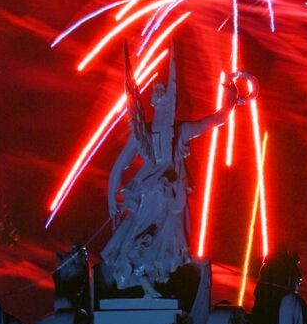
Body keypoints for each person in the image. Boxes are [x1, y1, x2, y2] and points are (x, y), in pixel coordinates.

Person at [101, 44, 240, 296]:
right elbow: (216, 120)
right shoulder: (168, 131)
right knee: (164, 240)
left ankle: (149, 281)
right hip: (165, 197)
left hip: (159, 196)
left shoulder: (169, 131)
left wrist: (112, 196)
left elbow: (119, 166)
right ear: (157, 102)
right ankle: (153, 281)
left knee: (153, 239)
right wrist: (231, 99)